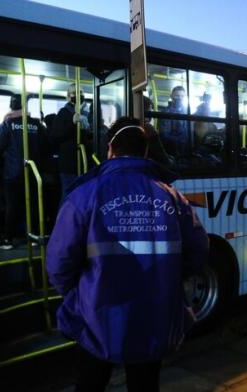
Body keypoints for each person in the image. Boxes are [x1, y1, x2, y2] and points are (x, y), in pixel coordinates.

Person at [46, 117, 209, 392]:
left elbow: (59, 263)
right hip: (154, 316)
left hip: (98, 317)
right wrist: (168, 280)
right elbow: (199, 251)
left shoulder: (84, 196)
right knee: (145, 385)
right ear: (145, 151)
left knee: (90, 383)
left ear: (110, 148)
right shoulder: (172, 197)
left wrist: (79, 297)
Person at [0, 94, 47, 250]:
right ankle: (33, 237)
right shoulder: (37, 124)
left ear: (11, 107)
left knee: (12, 206)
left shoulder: (7, 124)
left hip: (13, 172)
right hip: (33, 170)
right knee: (32, 204)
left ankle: (8, 239)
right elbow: (45, 146)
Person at [50, 83, 90, 201]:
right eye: (74, 93)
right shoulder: (64, 113)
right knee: (68, 197)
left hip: (84, 162)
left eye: (81, 93)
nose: (78, 95)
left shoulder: (87, 114)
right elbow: (55, 136)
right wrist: (72, 123)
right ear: (68, 97)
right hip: (69, 163)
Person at [159, 85, 189, 157]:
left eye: (182, 96)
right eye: (177, 96)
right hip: (171, 150)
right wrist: (181, 142)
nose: (180, 98)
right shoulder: (166, 112)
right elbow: (165, 134)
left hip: (186, 150)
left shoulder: (187, 111)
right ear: (171, 96)